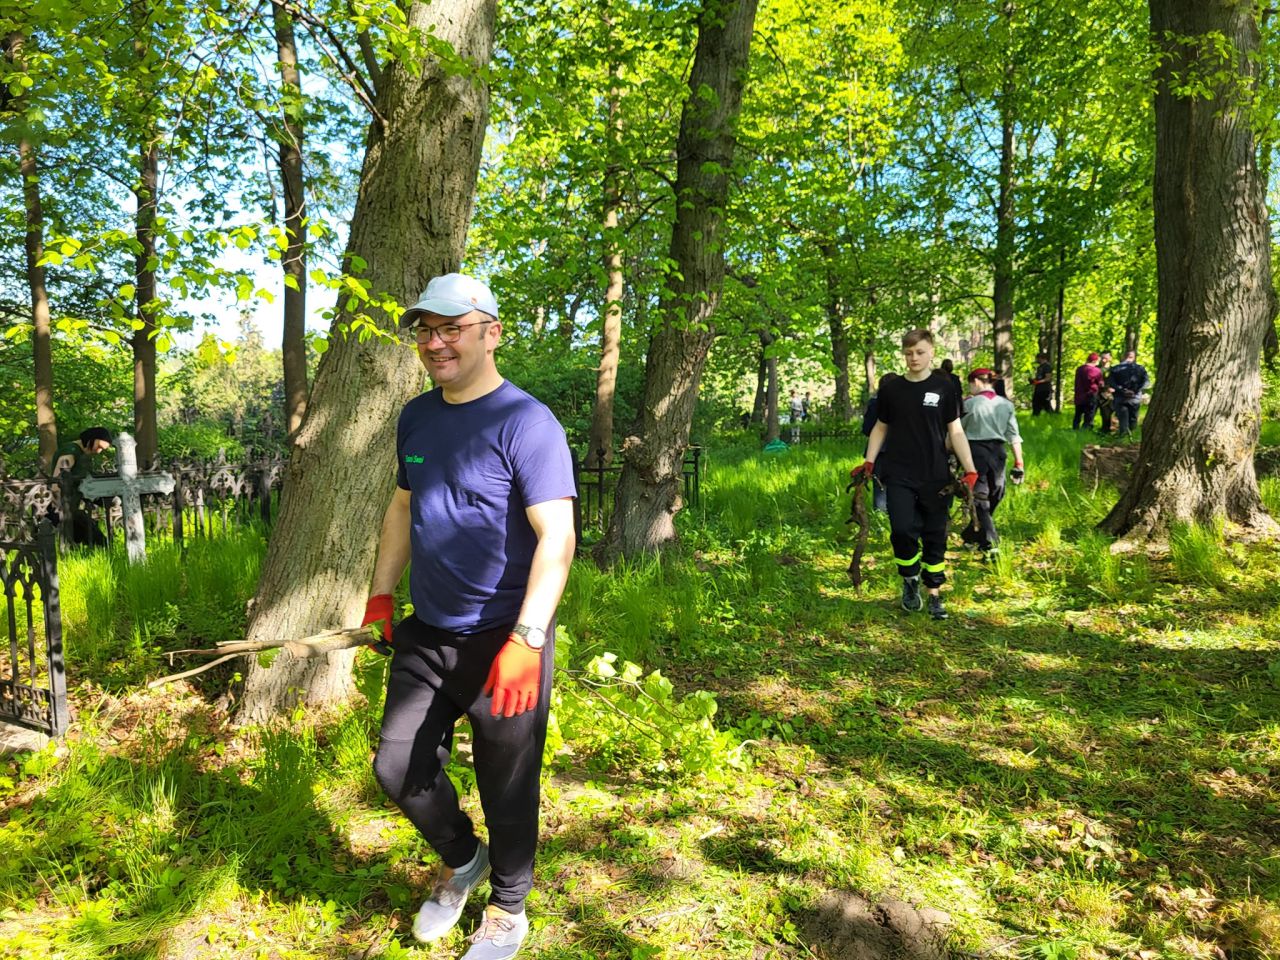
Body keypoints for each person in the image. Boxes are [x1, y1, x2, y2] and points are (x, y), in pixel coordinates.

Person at [360, 273, 576, 960]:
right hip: (428, 631)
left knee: (507, 785)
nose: (436, 343)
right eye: (426, 331)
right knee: (397, 766)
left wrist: (528, 638)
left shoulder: (527, 423)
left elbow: (558, 536)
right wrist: (381, 595)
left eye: (452, 328)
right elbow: (403, 507)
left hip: (505, 639)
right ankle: (463, 860)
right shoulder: (417, 417)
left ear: (492, 333)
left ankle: (508, 908)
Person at [853, 330, 978, 621]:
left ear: (931, 352)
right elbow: (880, 427)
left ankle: (934, 593)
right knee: (902, 529)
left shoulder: (944, 387)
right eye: (909, 353)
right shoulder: (892, 389)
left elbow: (956, 431)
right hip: (898, 473)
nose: (914, 358)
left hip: (935, 475)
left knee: (935, 533)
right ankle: (910, 579)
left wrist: (970, 469)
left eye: (920, 352)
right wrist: (869, 462)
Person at [959, 369, 1024, 556]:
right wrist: (1019, 462)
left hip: (987, 452)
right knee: (984, 495)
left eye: (970, 384)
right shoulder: (1000, 404)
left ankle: (972, 534)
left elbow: (1013, 435)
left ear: (975, 382)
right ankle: (990, 543)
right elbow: (957, 433)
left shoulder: (973, 404)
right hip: (980, 451)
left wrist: (1019, 463)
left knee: (994, 494)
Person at [51, 427, 114, 546]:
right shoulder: (70, 452)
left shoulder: (80, 454)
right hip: (61, 507)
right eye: (99, 446)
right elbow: (56, 484)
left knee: (94, 539)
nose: (99, 451)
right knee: (99, 542)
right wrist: (59, 508)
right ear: (91, 439)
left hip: (71, 507)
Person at [861, 373, 898, 513]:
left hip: (879, 452)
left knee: (880, 488)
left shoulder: (875, 403)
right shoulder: (906, 403)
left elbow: (867, 429)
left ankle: (881, 518)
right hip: (898, 450)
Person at [1107, 349, 1149, 437]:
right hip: (1135, 398)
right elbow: (1146, 383)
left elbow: (1111, 382)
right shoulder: (1140, 369)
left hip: (1120, 397)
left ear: (1123, 356)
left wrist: (1122, 390)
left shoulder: (1115, 368)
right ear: (1134, 357)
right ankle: (1132, 436)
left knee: (1123, 418)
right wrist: (1136, 391)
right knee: (1133, 418)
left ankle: (1124, 436)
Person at [1072, 353, 1104, 430]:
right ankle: (1086, 429)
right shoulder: (1096, 370)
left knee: (1078, 414)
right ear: (1094, 361)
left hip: (1079, 395)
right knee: (1089, 414)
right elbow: (1101, 383)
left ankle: (1075, 428)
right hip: (1091, 395)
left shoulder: (1079, 369)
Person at [1096, 351, 1114, 434]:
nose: (1103, 360)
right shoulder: (1096, 369)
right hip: (1097, 393)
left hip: (1109, 394)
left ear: (1110, 358)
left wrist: (1113, 389)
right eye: (1102, 358)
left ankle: (1106, 431)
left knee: (1107, 413)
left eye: (1106, 358)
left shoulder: (1113, 370)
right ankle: (1087, 430)